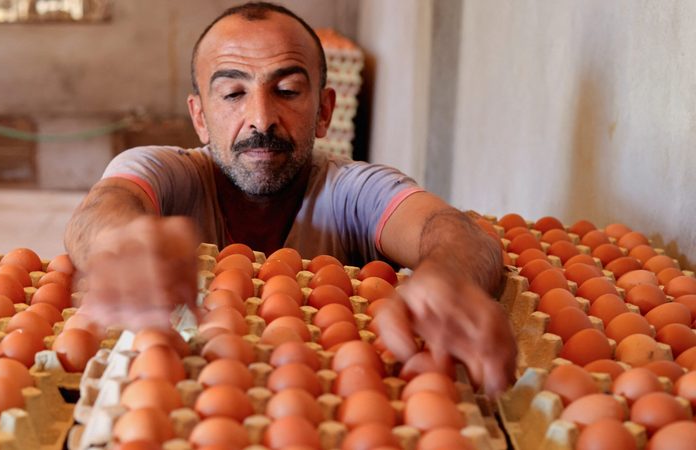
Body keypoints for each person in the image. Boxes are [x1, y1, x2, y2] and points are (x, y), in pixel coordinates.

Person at [65, 1, 516, 396]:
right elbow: (103, 209)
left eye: (286, 91)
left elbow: (452, 230)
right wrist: (120, 242)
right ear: (200, 117)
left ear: (323, 111)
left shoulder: (352, 191)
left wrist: (449, 273)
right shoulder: (169, 173)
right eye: (233, 93)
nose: (261, 118)